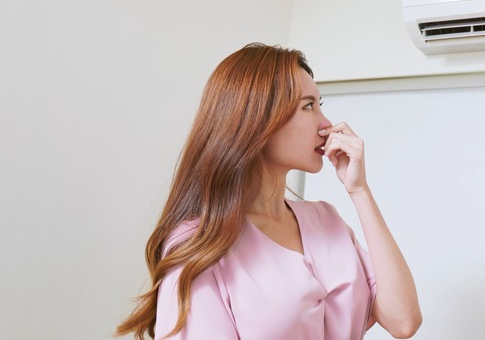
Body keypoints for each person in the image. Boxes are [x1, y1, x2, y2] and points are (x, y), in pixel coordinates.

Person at [116, 43, 422, 339]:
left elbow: (404, 321)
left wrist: (359, 191)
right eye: (308, 106)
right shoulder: (201, 244)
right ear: (258, 119)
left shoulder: (326, 220)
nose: (326, 124)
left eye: (320, 105)